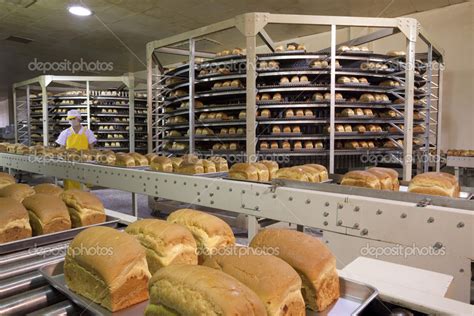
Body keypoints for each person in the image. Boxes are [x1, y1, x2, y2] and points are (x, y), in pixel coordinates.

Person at [56, 109, 96, 189]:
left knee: (83, 184)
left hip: (84, 161)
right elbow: (61, 149)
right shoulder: (65, 132)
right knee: (70, 183)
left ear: (79, 118)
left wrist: (93, 160)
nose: (72, 121)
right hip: (70, 162)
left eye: (74, 118)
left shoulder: (88, 132)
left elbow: (92, 148)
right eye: (70, 119)